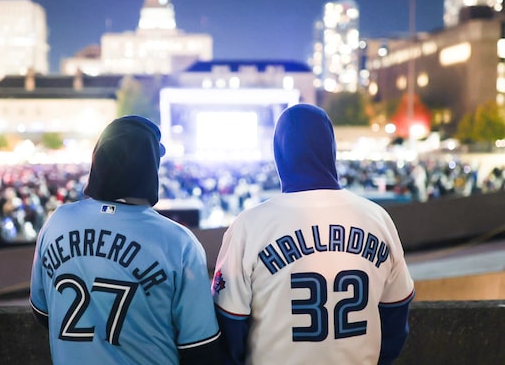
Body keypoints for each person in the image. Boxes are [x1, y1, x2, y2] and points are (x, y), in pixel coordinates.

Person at [211, 104, 415, 365]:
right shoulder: (377, 218)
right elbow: (396, 317)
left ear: (279, 154)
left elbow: (230, 326)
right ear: (331, 149)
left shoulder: (249, 225)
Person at [30, 115, 221, 365]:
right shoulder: (178, 241)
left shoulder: (57, 222)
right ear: (150, 168)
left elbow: (42, 312)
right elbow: (201, 347)